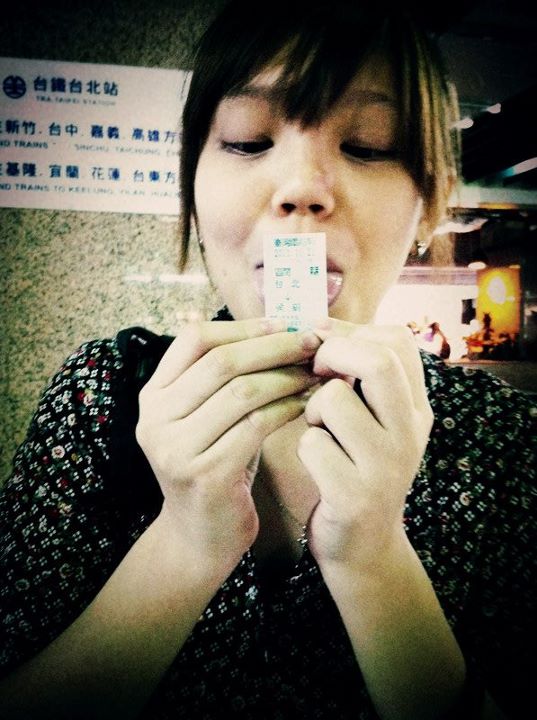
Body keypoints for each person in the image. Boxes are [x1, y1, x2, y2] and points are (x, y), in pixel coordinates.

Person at [0, 1, 535, 718]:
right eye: (248, 141)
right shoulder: (99, 397)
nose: (302, 189)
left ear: (428, 205)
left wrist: (374, 558)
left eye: (368, 146)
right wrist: (186, 542)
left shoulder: (505, 442)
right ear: (194, 187)